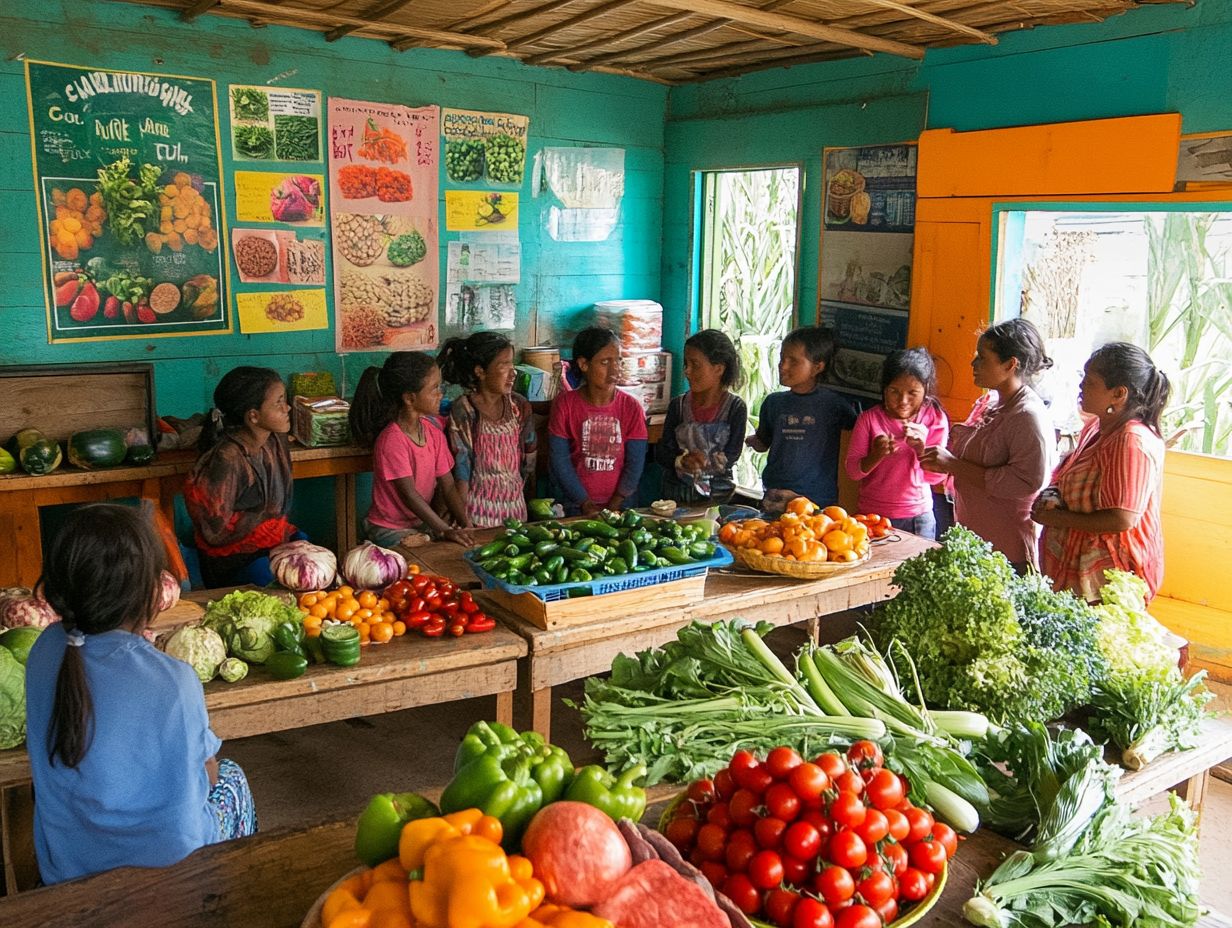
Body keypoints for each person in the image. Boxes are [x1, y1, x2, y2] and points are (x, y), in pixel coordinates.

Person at [25, 504, 257, 885]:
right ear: (149, 593)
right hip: (174, 878)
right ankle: (223, 898)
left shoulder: (45, 651)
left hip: (68, 869)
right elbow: (209, 775)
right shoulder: (174, 681)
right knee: (233, 778)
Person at [1034, 343, 1170, 602]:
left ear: (1118, 394)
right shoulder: (1097, 427)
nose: (1081, 386)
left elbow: (1122, 519)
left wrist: (1059, 519)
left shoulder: (1131, 441)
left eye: (1090, 381)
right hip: (1077, 569)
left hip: (1109, 578)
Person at [921, 318, 1056, 573]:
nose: (973, 364)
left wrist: (952, 464)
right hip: (974, 540)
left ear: (1010, 364)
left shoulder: (1027, 416)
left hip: (1005, 550)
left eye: (982, 357)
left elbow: (1026, 482)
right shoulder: (990, 403)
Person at [183, 366, 298, 588]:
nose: (288, 407)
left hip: (267, 544)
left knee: (312, 553)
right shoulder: (227, 458)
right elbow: (215, 532)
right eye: (279, 402)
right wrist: (264, 524)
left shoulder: (273, 440)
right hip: (233, 561)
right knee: (281, 579)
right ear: (253, 416)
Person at [350, 352, 476, 547]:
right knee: (433, 557)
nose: (440, 394)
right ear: (410, 398)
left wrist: (466, 524)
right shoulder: (392, 440)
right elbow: (410, 495)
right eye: (434, 389)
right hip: (388, 529)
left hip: (419, 524)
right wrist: (444, 529)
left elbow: (449, 486)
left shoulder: (433, 432)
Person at [746, 326, 857, 510]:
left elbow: (858, 431)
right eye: (782, 358)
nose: (783, 366)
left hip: (816, 499)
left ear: (817, 367)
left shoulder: (833, 405)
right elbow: (763, 443)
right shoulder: (773, 403)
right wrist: (751, 441)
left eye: (793, 362)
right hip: (776, 496)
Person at [845, 348, 949, 539]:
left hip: (917, 516)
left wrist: (921, 449)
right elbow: (852, 471)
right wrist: (875, 455)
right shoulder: (869, 420)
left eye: (912, 393)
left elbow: (935, 478)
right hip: (872, 516)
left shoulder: (934, 417)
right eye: (894, 391)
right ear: (884, 388)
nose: (903, 401)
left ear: (925, 389)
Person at [438, 332, 537, 528]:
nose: (513, 372)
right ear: (480, 372)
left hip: (516, 512)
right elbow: (462, 468)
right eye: (503, 365)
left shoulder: (519, 406)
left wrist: (532, 511)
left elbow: (530, 461)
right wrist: (463, 521)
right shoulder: (464, 410)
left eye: (512, 363)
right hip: (477, 514)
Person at [549, 326, 647, 515]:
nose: (614, 369)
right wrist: (585, 503)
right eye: (605, 362)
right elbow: (560, 460)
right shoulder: (565, 405)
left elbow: (635, 462)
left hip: (622, 506)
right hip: (575, 506)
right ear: (584, 364)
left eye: (618, 361)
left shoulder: (631, 407)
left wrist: (616, 503)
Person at [655, 329, 748, 506]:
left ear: (719, 368)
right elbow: (663, 452)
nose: (687, 371)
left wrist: (709, 462)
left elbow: (733, 454)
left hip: (718, 497)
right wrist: (682, 460)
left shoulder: (735, 408)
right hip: (677, 496)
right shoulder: (678, 406)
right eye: (686, 364)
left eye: (695, 365)